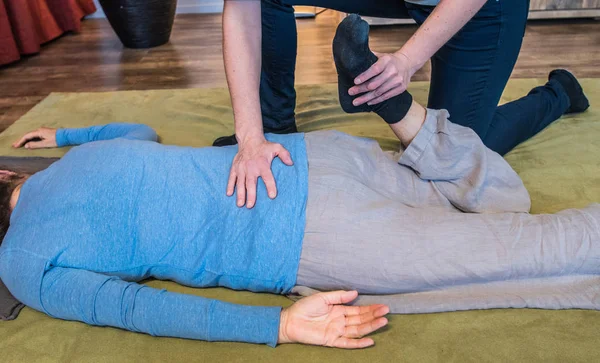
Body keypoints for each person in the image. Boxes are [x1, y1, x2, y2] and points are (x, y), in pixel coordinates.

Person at [1, 86, 598, 347]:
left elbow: (137, 309)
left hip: (315, 236)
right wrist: (69, 133)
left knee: (540, 247)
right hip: (313, 155)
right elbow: (139, 133)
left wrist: (279, 327)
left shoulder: (24, 263)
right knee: (496, 197)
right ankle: (408, 119)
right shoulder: (78, 159)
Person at [216, 1, 590, 209]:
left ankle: (557, 94)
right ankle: (275, 127)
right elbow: (243, 6)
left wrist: (407, 61)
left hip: (481, 8)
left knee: (452, 154)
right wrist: (251, 136)